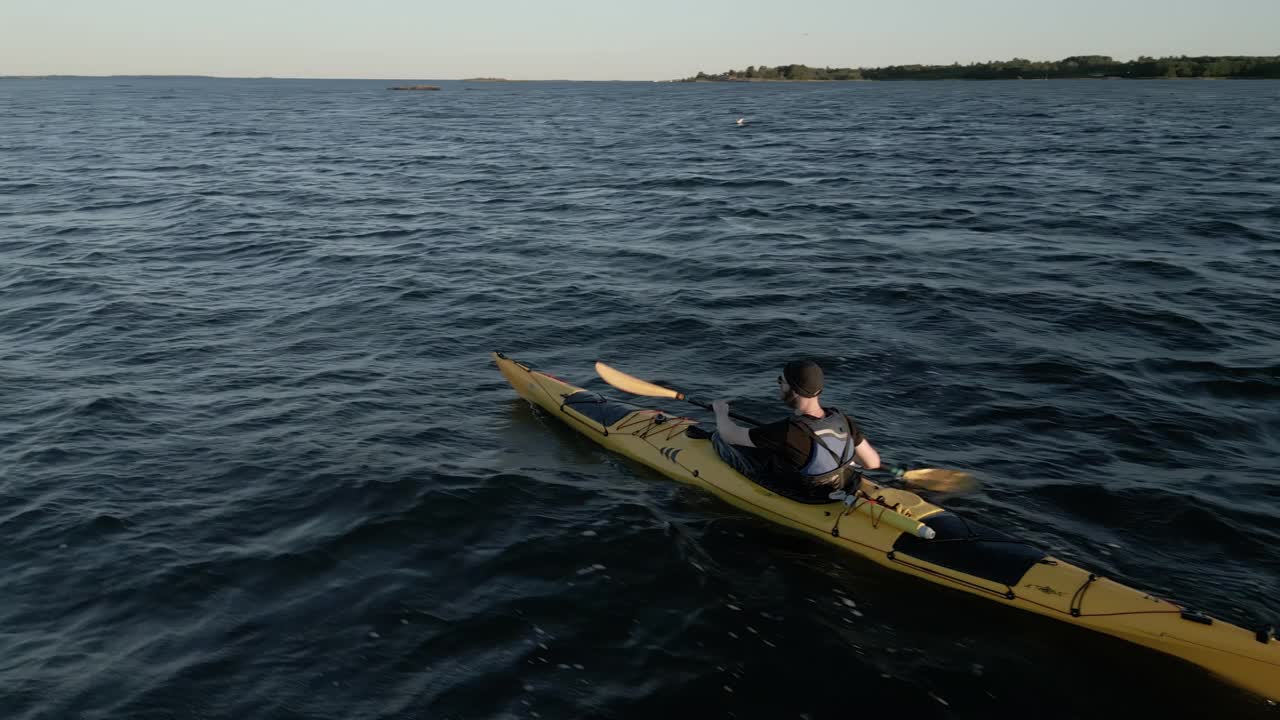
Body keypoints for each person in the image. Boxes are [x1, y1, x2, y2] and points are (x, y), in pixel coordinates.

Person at [708, 360, 880, 502]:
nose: (779, 385)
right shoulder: (842, 418)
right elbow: (872, 463)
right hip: (846, 485)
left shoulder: (787, 431)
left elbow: (729, 435)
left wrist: (721, 412)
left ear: (793, 390)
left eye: (781, 382)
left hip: (812, 497)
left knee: (721, 440)